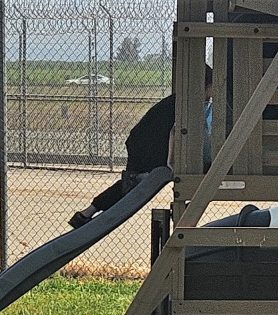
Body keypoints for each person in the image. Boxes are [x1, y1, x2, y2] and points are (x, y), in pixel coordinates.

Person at [69, 64, 213, 228]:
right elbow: (175, 131)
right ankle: (184, 207)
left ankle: (86, 213)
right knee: (205, 170)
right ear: (205, 86)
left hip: (141, 142)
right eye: (212, 87)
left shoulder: (180, 100)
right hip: (146, 146)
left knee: (131, 184)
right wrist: (170, 162)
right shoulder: (190, 104)